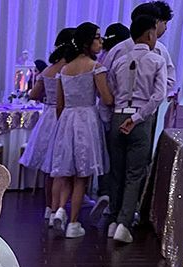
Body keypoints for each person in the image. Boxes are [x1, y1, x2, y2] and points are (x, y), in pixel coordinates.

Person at [98, 12, 166, 245]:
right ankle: (124, 224)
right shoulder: (157, 60)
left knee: (117, 172)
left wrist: (120, 115)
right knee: (134, 174)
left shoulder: (118, 60)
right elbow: (158, 96)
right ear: (149, 34)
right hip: (140, 120)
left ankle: (114, 220)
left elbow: (112, 90)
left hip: (118, 117)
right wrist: (137, 116)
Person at [49, 24, 113, 239]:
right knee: (81, 175)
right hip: (86, 119)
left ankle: (59, 210)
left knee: (66, 172)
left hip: (67, 119)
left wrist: (64, 123)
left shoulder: (64, 70)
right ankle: (74, 222)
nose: (101, 41)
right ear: (87, 42)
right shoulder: (96, 67)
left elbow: (59, 104)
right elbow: (106, 98)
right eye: (97, 37)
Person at [21, 28, 74, 219]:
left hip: (48, 116)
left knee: (48, 168)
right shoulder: (70, 69)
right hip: (64, 115)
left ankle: (47, 209)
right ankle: (57, 209)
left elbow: (33, 94)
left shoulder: (48, 70)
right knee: (61, 166)